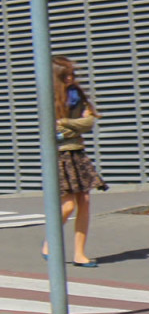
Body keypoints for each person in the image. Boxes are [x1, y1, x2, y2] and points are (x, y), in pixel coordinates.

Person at [41, 55, 107, 267]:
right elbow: (53, 128)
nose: (71, 78)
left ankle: (80, 254)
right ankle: (49, 243)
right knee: (68, 205)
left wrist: (68, 122)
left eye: (72, 74)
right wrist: (71, 125)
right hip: (60, 155)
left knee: (85, 202)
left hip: (78, 151)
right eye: (65, 75)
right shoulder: (49, 97)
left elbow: (89, 122)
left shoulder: (77, 94)